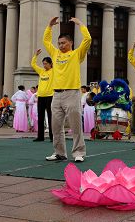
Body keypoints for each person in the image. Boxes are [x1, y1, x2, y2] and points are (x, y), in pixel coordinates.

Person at [43, 16, 91, 163]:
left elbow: (87, 39)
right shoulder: (55, 54)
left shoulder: (77, 54)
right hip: (56, 95)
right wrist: (49, 27)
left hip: (72, 93)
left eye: (63, 43)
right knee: (56, 126)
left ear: (70, 43)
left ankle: (78, 153)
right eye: (59, 43)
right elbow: (46, 41)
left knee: (75, 125)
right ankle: (59, 152)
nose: (61, 45)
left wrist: (81, 24)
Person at [30, 49, 54, 141]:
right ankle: (40, 137)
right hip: (41, 96)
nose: (44, 65)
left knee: (51, 116)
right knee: (40, 116)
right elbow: (33, 64)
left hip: (50, 96)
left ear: (50, 64)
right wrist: (35, 55)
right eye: (43, 63)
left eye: (46, 63)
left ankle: (52, 136)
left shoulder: (53, 71)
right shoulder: (41, 71)